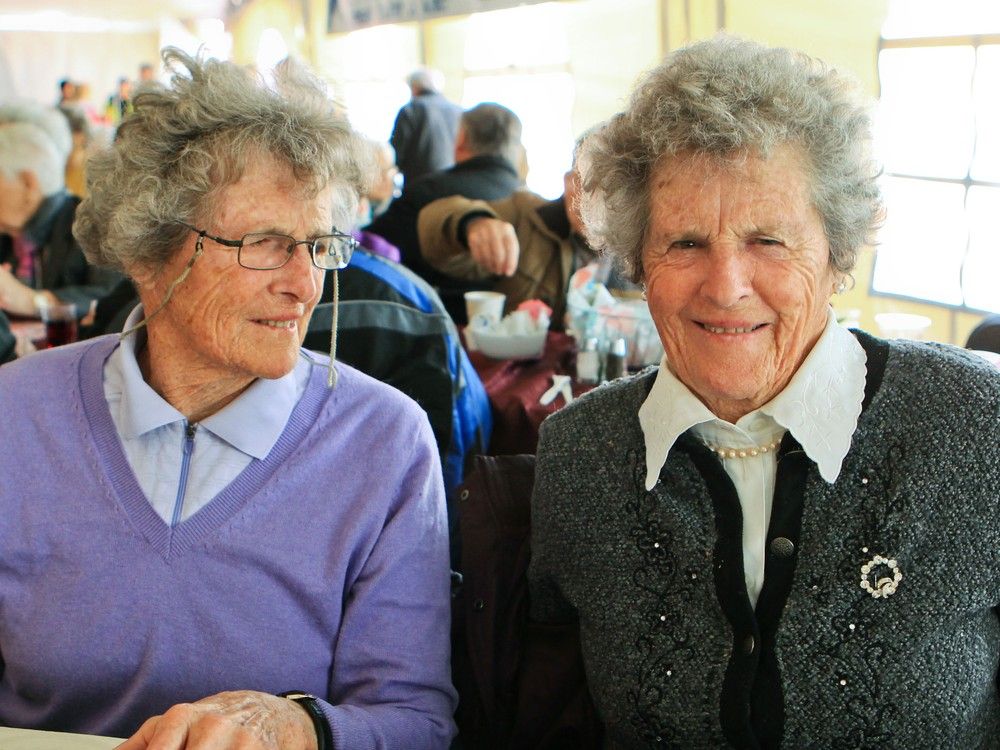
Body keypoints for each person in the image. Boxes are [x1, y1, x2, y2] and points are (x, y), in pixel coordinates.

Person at [528, 35, 1000, 747]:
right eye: (684, 242)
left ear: (837, 251)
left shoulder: (978, 427)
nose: (725, 286)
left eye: (769, 241)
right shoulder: (580, 454)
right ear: (637, 259)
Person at [0, 47, 456, 749]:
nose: (306, 285)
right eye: (266, 244)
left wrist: (299, 726)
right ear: (149, 253)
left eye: (321, 246)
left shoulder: (383, 441)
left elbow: (415, 722)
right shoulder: (16, 415)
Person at [417, 136, 623, 324]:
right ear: (568, 182)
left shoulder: (630, 252)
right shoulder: (525, 215)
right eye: (587, 185)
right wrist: (472, 222)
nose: (596, 202)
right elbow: (434, 221)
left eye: (611, 191)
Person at [369, 102, 523, 319]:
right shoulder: (531, 207)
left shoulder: (425, 192)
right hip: (512, 330)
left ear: (460, 140)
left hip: (426, 328)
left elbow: (370, 249)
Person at [0, 111, 120, 318]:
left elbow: (115, 300)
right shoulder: (8, 233)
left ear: (28, 184)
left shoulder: (95, 223)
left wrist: (33, 301)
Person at [390, 67, 462, 186]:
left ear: (414, 87)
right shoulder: (459, 111)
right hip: (454, 184)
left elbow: (396, 154)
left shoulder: (410, 110)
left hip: (420, 187)